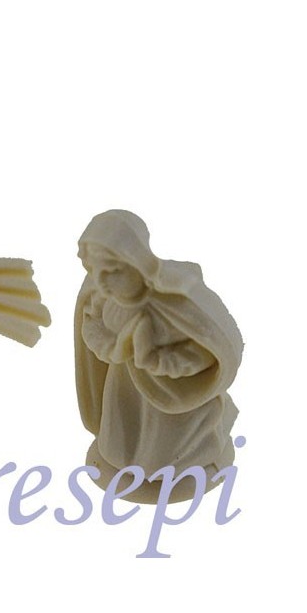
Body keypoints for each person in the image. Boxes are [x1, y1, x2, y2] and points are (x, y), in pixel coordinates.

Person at [74, 210, 242, 499]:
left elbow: (207, 353)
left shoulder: (175, 303)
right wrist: (109, 347)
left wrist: (162, 363)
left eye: (112, 271)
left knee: (166, 447)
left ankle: (179, 465)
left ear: (135, 262)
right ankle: (127, 462)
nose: (101, 281)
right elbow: (91, 325)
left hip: (175, 397)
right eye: (94, 270)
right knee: (122, 440)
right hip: (124, 387)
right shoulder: (102, 297)